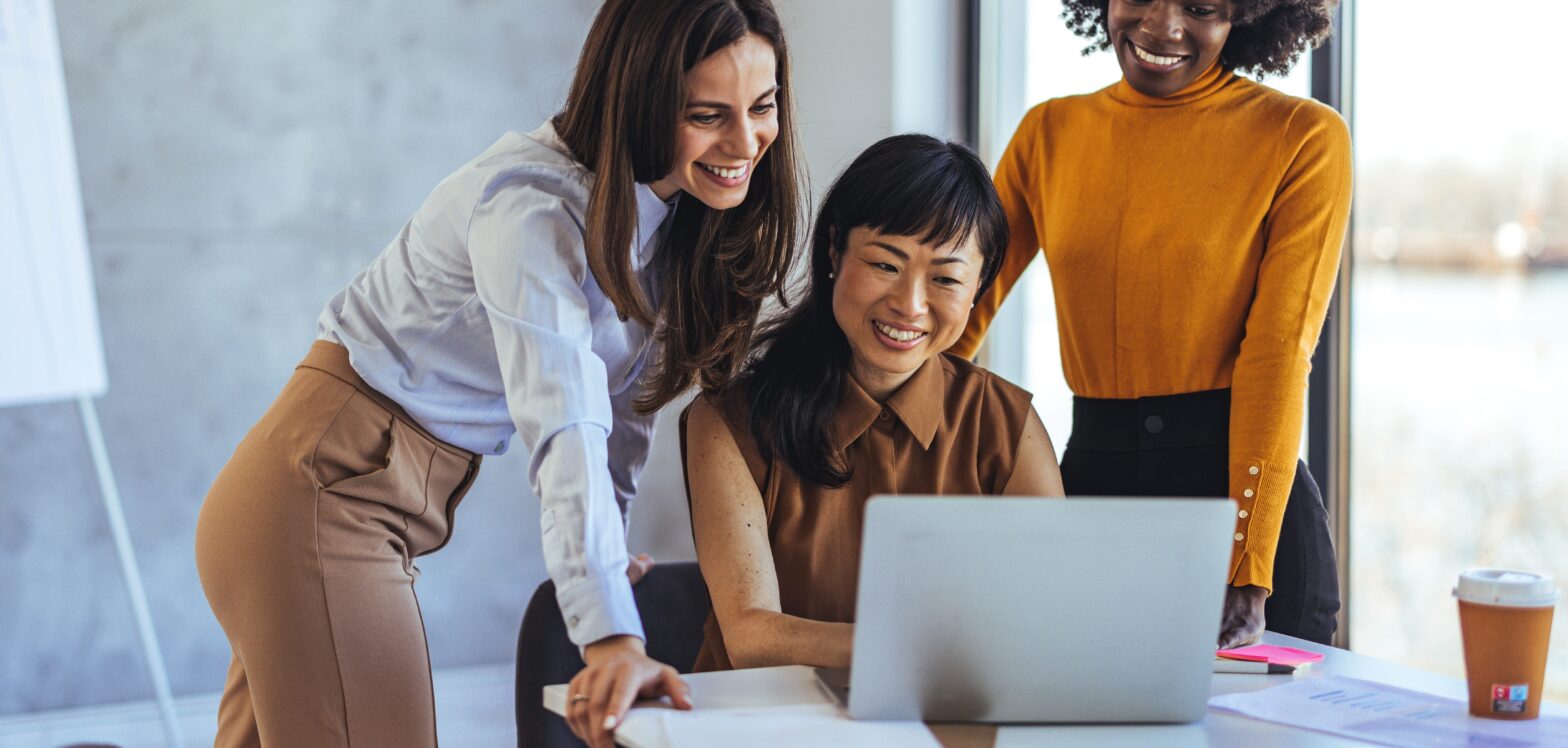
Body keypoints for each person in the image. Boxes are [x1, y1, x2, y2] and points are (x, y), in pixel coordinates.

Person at [193, 1, 803, 745]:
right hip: (322, 496)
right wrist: (609, 635)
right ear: (639, 98)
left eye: (762, 106)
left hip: (331, 499)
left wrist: (606, 570)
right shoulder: (530, 208)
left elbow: (619, 412)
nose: (746, 141)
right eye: (708, 114)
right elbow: (565, 420)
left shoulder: (664, 219)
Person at [952, 0, 1350, 648]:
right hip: (1089, 496)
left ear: (1248, 15)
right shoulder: (1047, 134)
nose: (1163, 28)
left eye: (1201, 7)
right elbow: (957, 314)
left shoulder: (1302, 137)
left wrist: (1246, 569)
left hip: (1243, 518)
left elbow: (1277, 353)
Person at [682, 134, 1065, 671]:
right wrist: (926, 653)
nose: (909, 304)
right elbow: (751, 635)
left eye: (946, 278)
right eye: (886, 264)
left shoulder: (1007, 422)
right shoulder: (730, 419)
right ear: (834, 249)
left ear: (978, 288)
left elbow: (1054, 613)